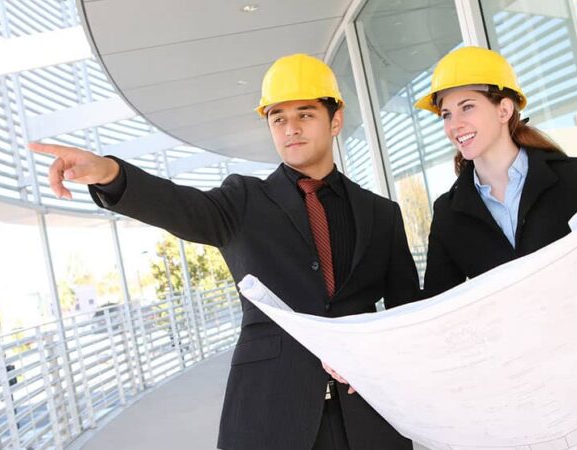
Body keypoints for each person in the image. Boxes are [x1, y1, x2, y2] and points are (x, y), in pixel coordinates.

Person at [31, 53, 418, 450]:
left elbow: (411, 312)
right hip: (271, 414)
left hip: (369, 414)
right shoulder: (244, 201)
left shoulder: (380, 214)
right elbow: (181, 205)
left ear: (335, 120)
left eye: (305, 114)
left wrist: (380, 361)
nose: (291, 129)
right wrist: (110, 174)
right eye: (278, 118)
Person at [415, 47, 577, 449]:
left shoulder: (572, 179)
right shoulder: (449, 213)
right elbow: (439, 309)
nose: (455, 124)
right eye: (446, 114)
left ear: (504, 109)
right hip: (532, 408)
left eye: (467, 107)